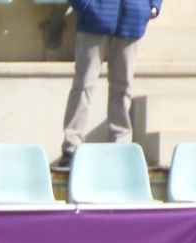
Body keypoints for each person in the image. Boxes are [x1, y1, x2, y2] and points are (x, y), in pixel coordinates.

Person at [60, 0, 162, 168]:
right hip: (94, 20)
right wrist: (86, 6)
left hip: (132, 19)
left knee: (123, 88)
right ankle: (71, 146)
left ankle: (120, 144)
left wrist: (152, 6)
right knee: (84, 85)